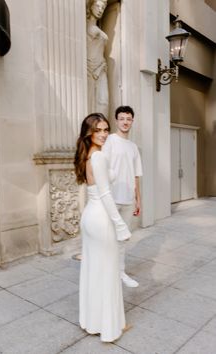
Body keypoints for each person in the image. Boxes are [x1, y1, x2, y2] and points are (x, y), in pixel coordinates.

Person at [74, 113, 131, 342]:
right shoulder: (97, 157)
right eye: (98, 130)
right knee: (107, 270)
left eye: (106, 129)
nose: (104, 134)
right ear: (89, 132)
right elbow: (107, 194)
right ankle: (110, 327)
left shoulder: (88, 154)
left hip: (90, 216)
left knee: (94, 270)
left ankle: (93, 322)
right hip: (101, 217)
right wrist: (120, 225)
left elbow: (102, 183)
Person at [102, 105, 143, 288]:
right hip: (111, 199)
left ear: (132, 121)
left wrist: (138, 200)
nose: (125, 122)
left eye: (128, 119)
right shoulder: (109, 141)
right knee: (107, 238)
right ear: (116, 120)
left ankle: (120, 272)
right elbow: (102, 170)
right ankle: (105, 272)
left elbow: (136, 175)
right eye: (122, 118)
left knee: (123, 239)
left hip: (128, 200)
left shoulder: (133, 147)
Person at [86, 0, 109, 116]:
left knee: (103, 102)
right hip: (89, 67)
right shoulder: (85, 26)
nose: (100, 10)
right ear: (91, 6)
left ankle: (101, 129)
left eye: (103, 8)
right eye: (98, 6)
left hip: (102, 67)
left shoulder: (100, 30)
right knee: (90, 101)